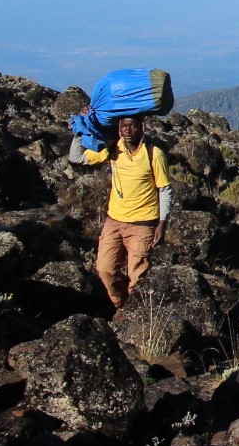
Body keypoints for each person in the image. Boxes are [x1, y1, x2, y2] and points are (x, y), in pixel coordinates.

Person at [71, 115, 171, 310]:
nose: (127, 130)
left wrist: (162, 224)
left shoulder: (154, 154)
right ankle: (121, 305)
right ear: (119, 128)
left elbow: (165, 189)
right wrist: (80, 128)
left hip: (143, 225)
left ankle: (134, 316)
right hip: (114, 221)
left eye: (132, 126)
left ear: (142, 127)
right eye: (124, 126)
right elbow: (76, 157)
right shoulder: (114, 149)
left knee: (138, 275)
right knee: (105, 269)